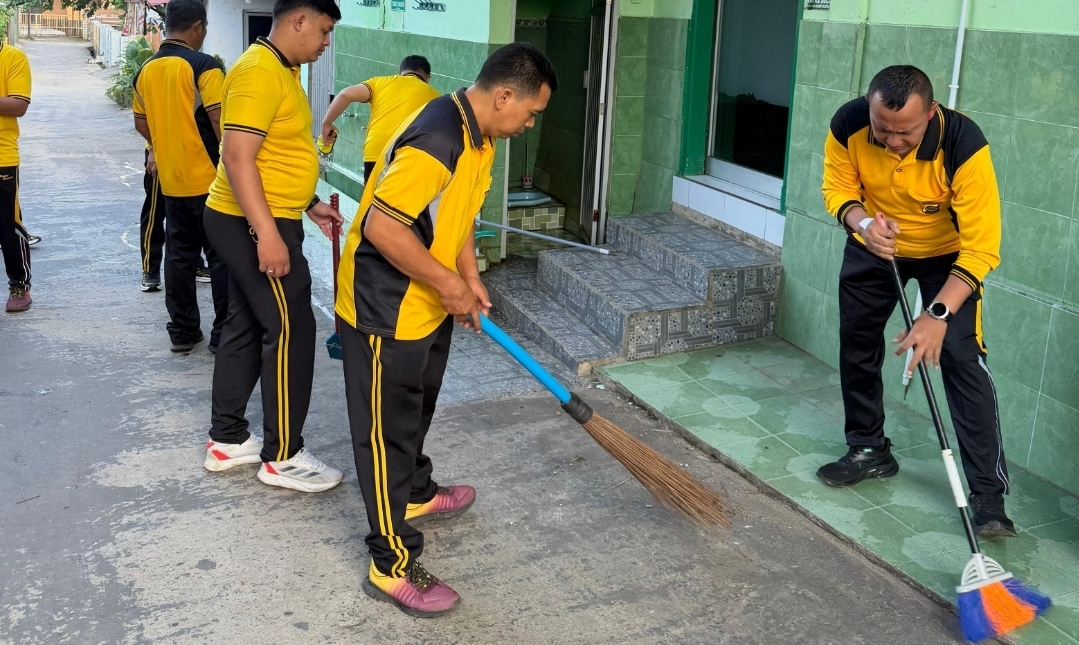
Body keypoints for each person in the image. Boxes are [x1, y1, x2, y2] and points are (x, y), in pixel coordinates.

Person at [336, 42, 556, 617]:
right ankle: (391, 561)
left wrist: (469, 276)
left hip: (425, 298)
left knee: (416, 406)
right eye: (530, 113)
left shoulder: (480, 137)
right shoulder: (439, 136)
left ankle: (411, 494)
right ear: (504, 95)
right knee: (385, 432)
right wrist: (449, 284)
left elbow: (453, 216)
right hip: (384, 304)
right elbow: (386, 228)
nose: (529, 124)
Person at [818, 65, 1013, 537]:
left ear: (930, 113)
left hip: (946, 257)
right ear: (870, 108)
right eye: (882, 128)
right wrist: (863, 225)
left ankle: (987, 496)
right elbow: (838, 190)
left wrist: (937, 314)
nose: (891, 141)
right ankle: (868, 448)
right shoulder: (848, 125)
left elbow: (983, 246)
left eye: (904, 132)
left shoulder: (963, 143)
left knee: (963, 359)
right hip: (875, 243)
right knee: (858, 341)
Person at [201, 0, 344, 491]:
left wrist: (307, 202)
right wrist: (267, 234)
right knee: (291, 328)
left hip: (266, 216)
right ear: (298, 20)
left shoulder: (280, 70)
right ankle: (282, 455)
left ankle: (228, 440)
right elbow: (239, 157)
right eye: (324, 30)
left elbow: (276, 154)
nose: (326, 41)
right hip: (250, 222)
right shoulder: (259, 71)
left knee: (245, 322)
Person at [132, 0, 229, 353]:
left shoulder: (146, 70)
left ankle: (184, 333)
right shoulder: (205, 66)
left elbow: (141, 122)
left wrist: (159, 147)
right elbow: (220, 121)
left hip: (171, 182)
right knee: (221, 258)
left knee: (179, 257)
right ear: (198, 27)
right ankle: (222, 336)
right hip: (211, 182)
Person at [320, 54, 440, 183]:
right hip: (408, 159)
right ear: (428, 79)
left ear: (400, 73)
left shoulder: (381, 82)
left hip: (376, 153)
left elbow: (345, 94)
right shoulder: (436, 97)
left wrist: (327, 123)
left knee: (372, 202)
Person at [0, 40, 32, 313]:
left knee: (7, 226)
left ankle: (19, 284)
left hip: (2, 158)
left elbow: (18, 105)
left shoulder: (12, 57)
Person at [139, 142, 166, 292]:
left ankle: (195, 263)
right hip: (162, 152)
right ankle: (151, 269)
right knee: (155, 212)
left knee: (187, 213)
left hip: (191, 153)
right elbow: (144, 122)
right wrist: (153, 151)